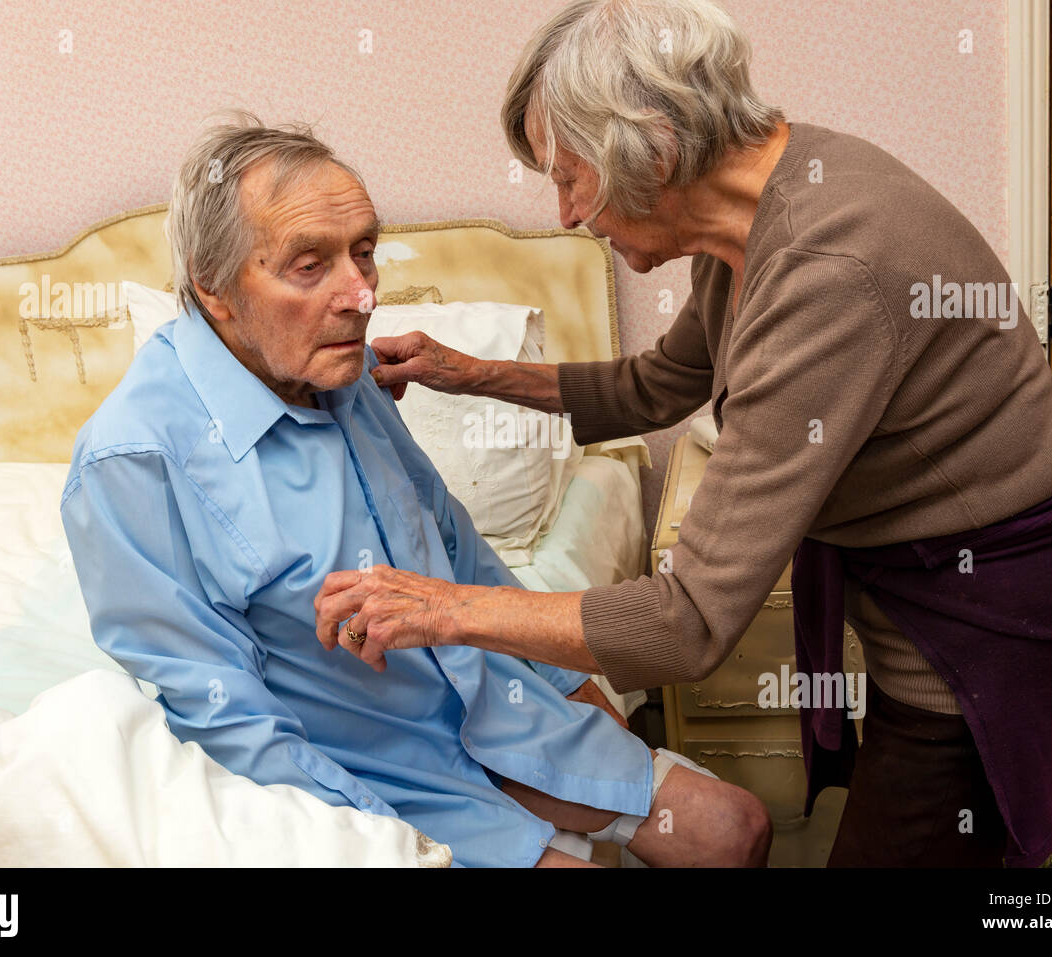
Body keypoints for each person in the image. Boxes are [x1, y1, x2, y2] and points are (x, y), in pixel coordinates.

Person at [314, 0, 1052, 867]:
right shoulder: (758, 209)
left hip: (985, 606)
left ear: (651, 152)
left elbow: (689, 622)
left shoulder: (825, 272)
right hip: (920, 580)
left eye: (569, 175)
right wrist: (464, 370)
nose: (569, 214)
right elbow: (657, 384)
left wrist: (444, 607)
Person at [60, 111, 771, 868]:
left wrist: (586, 708)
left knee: (736, 827)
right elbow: (231, 726)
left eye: (363, 254)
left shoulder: (339, 368)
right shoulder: (130, 463)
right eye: (310, 265)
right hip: (374, 772)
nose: (360, 295)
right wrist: (399, 844)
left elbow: (459, 550)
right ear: (215, 287)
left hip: (495, 703)